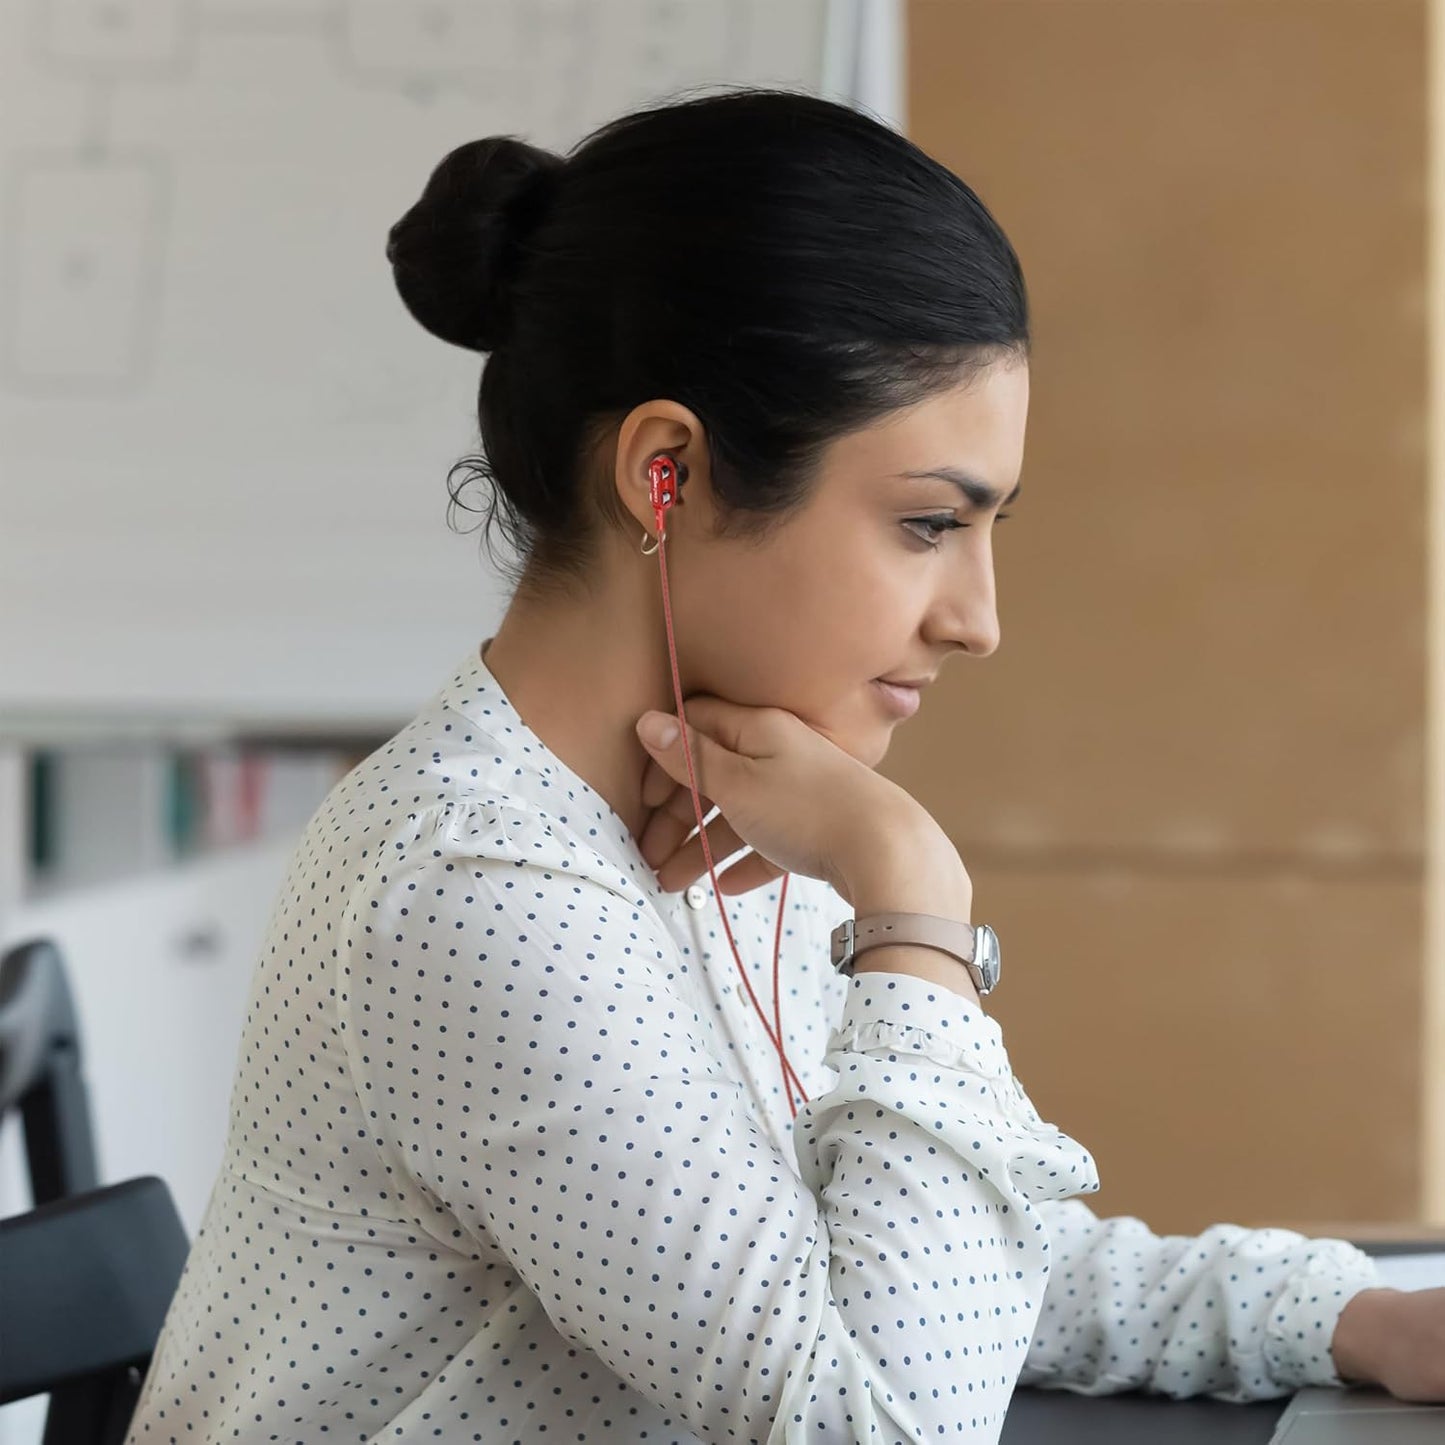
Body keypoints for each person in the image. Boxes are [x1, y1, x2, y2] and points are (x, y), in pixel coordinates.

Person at [124, 87, 1445, 1445]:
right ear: (665, 476)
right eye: (928, 522)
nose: (977, 618)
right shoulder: (478, 887)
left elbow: (930, 1278)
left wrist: (1356, 1317)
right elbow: (883, 1425)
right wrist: (908, 902)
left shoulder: (738, 803)